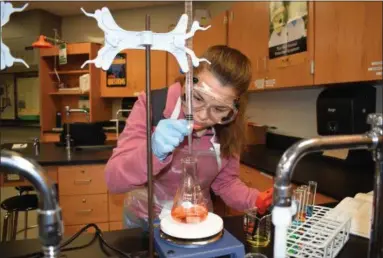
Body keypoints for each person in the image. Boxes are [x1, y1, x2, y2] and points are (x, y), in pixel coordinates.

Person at [105, 45, 269, 230]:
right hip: (143, 224)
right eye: (197, 98)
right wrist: (152, 151)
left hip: (194, 222)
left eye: (219, 108)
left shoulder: (227, 128)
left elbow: (226, 183)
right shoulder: (153, 106)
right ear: (187, 82)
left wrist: (257, 199)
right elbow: (114, 180)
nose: (202, 115)